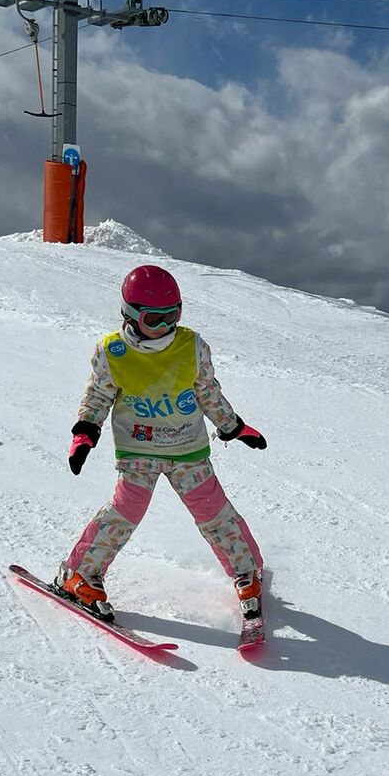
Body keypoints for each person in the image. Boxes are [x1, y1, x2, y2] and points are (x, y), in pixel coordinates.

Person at [55, 263, 268, 623]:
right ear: (130, 314)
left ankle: (247, 572)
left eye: (173, 316)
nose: (165, 327)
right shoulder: (112, 351)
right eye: (154, 319)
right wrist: (85, 433)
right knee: (125, 512)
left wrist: (232, 427)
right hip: (139, 450)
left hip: (187, 448)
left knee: (213, 511)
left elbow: (207, 392)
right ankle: (79, 575)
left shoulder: (191, 346)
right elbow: (98, 397)